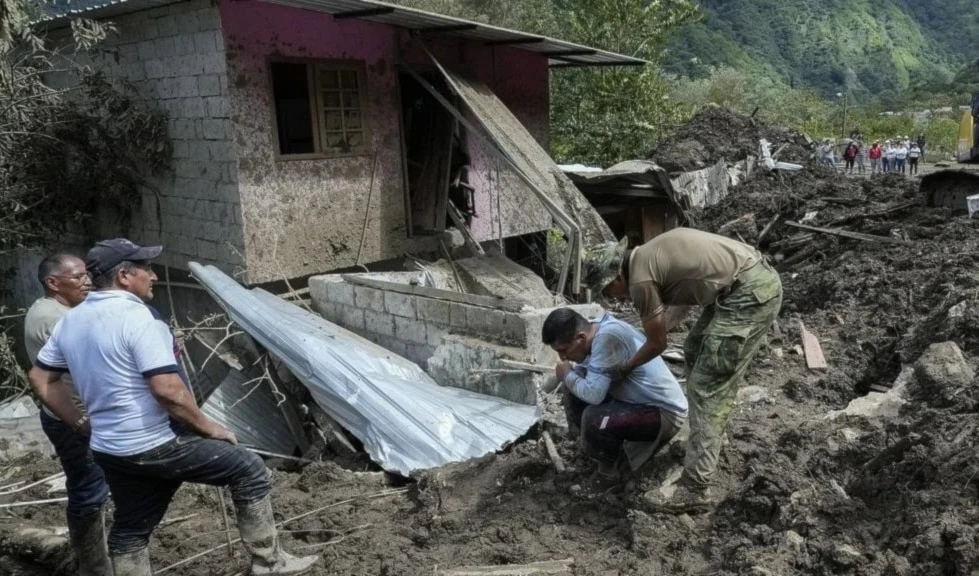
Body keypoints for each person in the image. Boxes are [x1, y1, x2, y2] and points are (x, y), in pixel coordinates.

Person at [29, 238, 319, 576]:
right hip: (152, 444)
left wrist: (80, 423)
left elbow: (41, 377)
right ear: (124, 275)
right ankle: (269, 563)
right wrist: (211, 427)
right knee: (248, 468)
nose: (153, 276)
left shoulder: (72, 322)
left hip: (111, 449)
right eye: (146, 269)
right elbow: (167, 391)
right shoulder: (139, 319)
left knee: (131, 530)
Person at [601, 228, 782, 512]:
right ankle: (706, 434)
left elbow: (658, 343)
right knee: (694, 349)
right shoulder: (649, 256)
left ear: (617, 276)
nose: (613, 298)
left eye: (607, 289)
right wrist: (644, 335)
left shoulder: (641, 280)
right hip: (742, 284)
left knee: (707, 386)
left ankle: (695, 488)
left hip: (749, 294)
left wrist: (626, 366)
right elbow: (681, 306)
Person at [25, 254, 111, 576]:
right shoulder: (59, 319)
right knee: (89, 489)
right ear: (53, 282)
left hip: (68, 413)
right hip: (73, 417)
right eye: (78, 277)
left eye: (87, 274)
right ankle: (93, 566)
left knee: (90, 485)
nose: (87, 281)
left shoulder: (50, 309)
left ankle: (92, 559)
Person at [540, 308, 688, 478]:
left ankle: (608, 474)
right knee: (574, 386)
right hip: (639, 404)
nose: (563, 357)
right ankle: (589, 448)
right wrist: (568, 376)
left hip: (665, 414)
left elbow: (593, 396)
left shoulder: (607, 338)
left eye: (563, 350)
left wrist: (566, 374)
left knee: (594, 417)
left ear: (581, 338)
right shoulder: (597, 332)